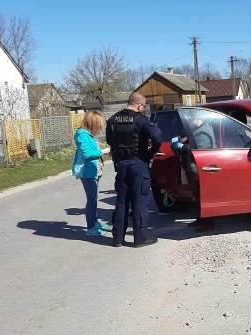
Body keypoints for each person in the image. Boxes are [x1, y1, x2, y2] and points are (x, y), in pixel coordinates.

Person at [106, 92, 162, 248]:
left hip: (121, 166)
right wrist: (150, 153)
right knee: (139, 203)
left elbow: (110, 141)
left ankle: (117, 239)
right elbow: (157, 137)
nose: (143, 109)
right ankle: (140, 239)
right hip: (138, 165)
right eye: (143, 107)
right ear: (139, 105)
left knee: (121, 202)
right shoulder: (141, 120)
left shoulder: (112, 120)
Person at [72, 111, 110, 236]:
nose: (99, 128)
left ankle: (94, 222)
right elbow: (87, 154)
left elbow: (93, 150)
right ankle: (90, 227)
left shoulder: (87, 134)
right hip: (86, 172)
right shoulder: (81, 135)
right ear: (92, 123)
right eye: (98, 125)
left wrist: (101, 151)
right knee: (91, 198)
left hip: (93, 170)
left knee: (94, 198)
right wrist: (103, 151)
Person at [170, 133, 215, 232]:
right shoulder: (193, 131)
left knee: (202, 196)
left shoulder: (204, 133)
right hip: (192, 168)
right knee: (197, 196)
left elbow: (197, 150)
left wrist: (183, 146)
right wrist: (180, 139)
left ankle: (208, 222)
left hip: (199, 169)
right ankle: (200, 219)